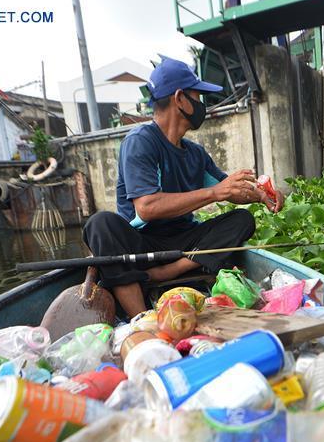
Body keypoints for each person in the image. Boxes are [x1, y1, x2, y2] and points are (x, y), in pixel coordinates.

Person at [83, 57, 283, 317]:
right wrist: (214, 193)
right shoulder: (141, 142)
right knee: (100, 224)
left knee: (241, 220)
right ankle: (142, 319)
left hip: (183, 243)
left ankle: (169, 272)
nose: (201, 104)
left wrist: (262, 195)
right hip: (142, 246)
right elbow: (146, 208)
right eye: (197, 96)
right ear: (179, 98)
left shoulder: (195, 153)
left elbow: (228, 189)